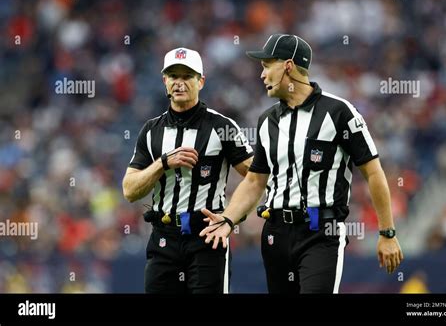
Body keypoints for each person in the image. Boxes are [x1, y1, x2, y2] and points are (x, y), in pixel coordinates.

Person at [200, 34, 404, 293]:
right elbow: (254, 180)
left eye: (266, 66)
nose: (262, 75)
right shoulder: (267, 120)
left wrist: (387, 233)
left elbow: (373, 172)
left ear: (288, 66)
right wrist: (228, 219)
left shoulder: (339, 112)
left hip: (321, 233)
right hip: (276, 233)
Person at [122, 47, 253, 293]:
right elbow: (129, 190)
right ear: (164, 82)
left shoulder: (222, 127)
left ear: (200, 81)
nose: (179, 83)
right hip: (163, 239)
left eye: (187, 76)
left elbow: (256, 177)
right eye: (173, 76)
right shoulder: (151, 131)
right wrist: (163, 163)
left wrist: (230, 218)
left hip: (207, 237)